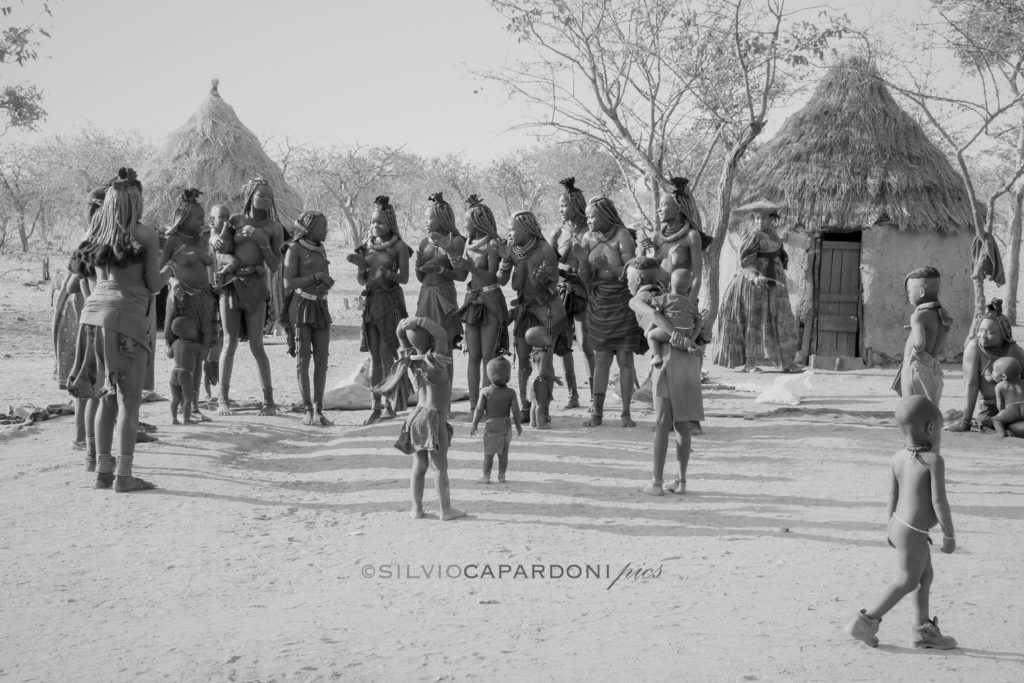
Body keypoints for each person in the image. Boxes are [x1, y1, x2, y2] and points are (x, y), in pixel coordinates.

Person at [67, 167, 172, 492]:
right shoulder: (145, 235)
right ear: (136, 203)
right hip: (127, 320)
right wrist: (169, 271)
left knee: (105, 397)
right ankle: (124, 476)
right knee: (128, 402)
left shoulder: (97, 232)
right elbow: (153, 284)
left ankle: (101, 470)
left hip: (93, 319)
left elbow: (80, 276)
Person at [846, 396, 958, 650]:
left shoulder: (897, 457)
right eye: (940, 430)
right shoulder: (933, 461)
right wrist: (949, 536)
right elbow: (939, 501)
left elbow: (892, 496)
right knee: (908, 579)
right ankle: (866, 620)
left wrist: (889, 527)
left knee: (924, 578)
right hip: (914, 532)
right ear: (931, 428)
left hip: (899, 525)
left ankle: (923, 631)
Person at [628, 259, 704, 496]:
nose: (627, 283)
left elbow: (656, 318)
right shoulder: (681, 300)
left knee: (662, 423)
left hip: (668, 362)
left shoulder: (638, 300)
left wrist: (678, 339)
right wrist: (688, 339)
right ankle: (681, 482)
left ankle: (656, 483)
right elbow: (699, 321)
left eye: (628, 278)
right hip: (690, 364)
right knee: (682, 425)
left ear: (638, 278)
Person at [380, 316, 466, 521]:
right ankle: (446, 510)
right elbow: (443, 334)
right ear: (433, 341)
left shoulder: (410, 360)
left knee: (419, 467)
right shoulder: (438, 360)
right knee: (440, 467)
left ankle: (416, 509)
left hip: (416, 416)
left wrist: (402, 328)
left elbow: (402, 339)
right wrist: (419, 320)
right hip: (434, 418)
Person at [214, 178, 285, 416]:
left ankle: (269, 401)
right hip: (233, 285)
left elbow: (275, 266)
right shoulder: (234, 221)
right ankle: (222, 399)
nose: (266, 199)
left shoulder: (274, 228)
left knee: (257, 344)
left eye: (269, 196)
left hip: (256, 285)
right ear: (250, 196)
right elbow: (219, 253)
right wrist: (229, 258)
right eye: (261, 194)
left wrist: (263, 243)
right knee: (229, 343)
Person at [572, 196, 644, 427]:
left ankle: (625, 413)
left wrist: (610, 269)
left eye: (593, 215)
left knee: (624, 358)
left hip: (622, 303)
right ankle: (597, 412)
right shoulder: (587, 238)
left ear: (605, 214)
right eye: (587, 216)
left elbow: (633, 271)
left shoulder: (622, 235)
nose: (589, 220)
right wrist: (584, 262)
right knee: (601, 358)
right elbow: (585, 278)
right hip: (599, 304)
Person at [711, 199, 801, 373]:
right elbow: (746, 261)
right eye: (757, 218)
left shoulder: (773, 234)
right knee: (754, 320)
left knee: (781, 319)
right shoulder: (753, 235)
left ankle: (786, 362)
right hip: (756, 284)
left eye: (764, 218)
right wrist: (754, 277)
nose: (760, 222)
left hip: (774, 282)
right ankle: (750, 363)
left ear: (771, 218)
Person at [499, 211, 569, 423]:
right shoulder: (511, 249)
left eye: (513, 229)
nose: (509, 233)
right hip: (524, 310)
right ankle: (525, 405)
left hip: (544, 312)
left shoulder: (545, 250)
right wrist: (504, 260)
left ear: (526, 229)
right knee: (522, 363)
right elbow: (502, 281)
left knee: (543, 363)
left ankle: (543, 406)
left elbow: (553, 284)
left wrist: (544, 280)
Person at [350, 196, 411, 424]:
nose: (376, 226)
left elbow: (404, 278)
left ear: (391, 224)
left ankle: (389, 405)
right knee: (374, 357)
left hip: (391, 302)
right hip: (371, 303)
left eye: (381, 223)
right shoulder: (366, 246)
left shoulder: (399, 247)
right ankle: (375, 405)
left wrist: (387, 274)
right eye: (374, 222)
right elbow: (362, 280)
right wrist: (360, 268)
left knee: (388, 354)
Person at [450, 194, 509, 413]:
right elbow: (462, 273)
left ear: (478, 222)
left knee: (488, 355)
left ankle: (487, 404)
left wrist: (471, 267)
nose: (464, 226)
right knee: (472, 356)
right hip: (473, 300)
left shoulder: (493, 244)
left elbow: (492, 277)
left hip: (490, 300)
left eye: (466, 222)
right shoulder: (469, 243)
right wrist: (452, 255)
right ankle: (474, 404)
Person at [160, 188, 216, 419]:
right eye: (198, 218)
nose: (202, 221)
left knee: (201, 352)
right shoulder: (172, 240)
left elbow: (210, 263)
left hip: (203, 299)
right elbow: (162, 270)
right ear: (183, 219)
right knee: (185, 357)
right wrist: (173, 283)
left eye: (203, 217)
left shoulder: (202, 240)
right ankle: (185, 404)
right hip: (183, 302)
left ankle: (193, 404)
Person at [283, 211, 335, 427]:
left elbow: (325, 274)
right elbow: (288, 283)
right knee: (303, 360)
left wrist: (326, 282)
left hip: (320, 305)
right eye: (322, 227)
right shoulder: (294, 249)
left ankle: (320, 409)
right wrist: (315, 277)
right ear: (310, 228)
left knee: (322, 360)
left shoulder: (320, 248)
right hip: (302, 305)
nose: (326, 230)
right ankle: (307, 409)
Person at [549, 177, 593, 409]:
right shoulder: (558, 233)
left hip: (583, 292)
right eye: (559, 205)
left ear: (577, 206)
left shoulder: (590, 232)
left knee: (585, 343)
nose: (561, 209)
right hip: (561, 292)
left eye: (564, 205)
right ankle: (572, 394)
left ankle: (596, 394)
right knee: (563, 343)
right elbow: (548, 262)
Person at [947, 299, 1024, 432]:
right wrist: (965, 421)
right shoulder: (974, 348)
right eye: (980, 330)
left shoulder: (1015, 351)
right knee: (993, 423)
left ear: (1004, 334)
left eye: (990, 332)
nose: (983, 335)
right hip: (989, 409)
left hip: (1017, 407)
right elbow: (971, 385)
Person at [891, 267, 952, 405]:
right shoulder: (943, 314)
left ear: (922, 291)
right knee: (930, 409)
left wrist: (912, 355)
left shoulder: (919, 316)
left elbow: (919, 344)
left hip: (916, 368)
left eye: (909, 291)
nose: (908, 296)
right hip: (934, 370)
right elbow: (941, 347)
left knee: (912, 409)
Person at [415, 192, 467, 351]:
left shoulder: (456, 241)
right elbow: (420, 278)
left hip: (444, 296)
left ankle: (445, 377)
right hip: (425, 295)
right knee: (423, 341)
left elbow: (461, 276)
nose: (426, 221)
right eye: (425, 217)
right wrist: (419, 267)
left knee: (444, 344)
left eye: (429, 218)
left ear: (443, 219)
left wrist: (440, 269)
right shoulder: (424, 242)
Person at [470, 357, 521, 484]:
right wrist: (519, 426)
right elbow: (515, 411)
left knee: (488, 453)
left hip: (491, 426)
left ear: (489, 377)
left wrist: (474, 424)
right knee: (503, 454)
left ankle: (486, 476)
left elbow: (479, 409)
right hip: (505, 426)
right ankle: (501, 476)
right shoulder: (511, 393)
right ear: (508, 378)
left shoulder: (485, 392)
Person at [645, 269, 698, 368]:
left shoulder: (664, 299)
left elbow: (657, 314)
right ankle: (688, 345)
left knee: (651, 336)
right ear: (689, 289)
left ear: (669, 285)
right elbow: (694, 316)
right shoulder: (690, 303)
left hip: (672, 331)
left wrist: (649, 329)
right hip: (688, 331)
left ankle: (657, 356)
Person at [168, 317, 203, 425]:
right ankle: (186, 419)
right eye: (194, 329)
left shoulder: (175, 343)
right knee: (188, 398)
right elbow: (204, 354)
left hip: (174, 372)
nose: (196, 331)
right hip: (186, 373)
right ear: (187, 332)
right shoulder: (194, 346)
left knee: (175, 398)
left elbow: (169, 355)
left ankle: (174, 419)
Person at [525, 325, 557, 429]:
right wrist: (554, 378)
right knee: (541, 404)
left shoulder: (532, 352)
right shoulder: (543, 353)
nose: (549, 336)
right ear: (539, 341)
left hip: (531, 380)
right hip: (540, 381)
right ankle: (540, 424)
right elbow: (543, 371)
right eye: (546, 335)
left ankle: (533, 423)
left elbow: (533, 367)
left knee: (534, 403)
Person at [991, 357, 1024, 437]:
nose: (992, 373)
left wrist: (1002, 413)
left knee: (995, 420)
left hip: (1011, 410)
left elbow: (1000, 404)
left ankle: (1001, 433)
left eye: (994, 371)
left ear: (1004, 377)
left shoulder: (1000, 386)